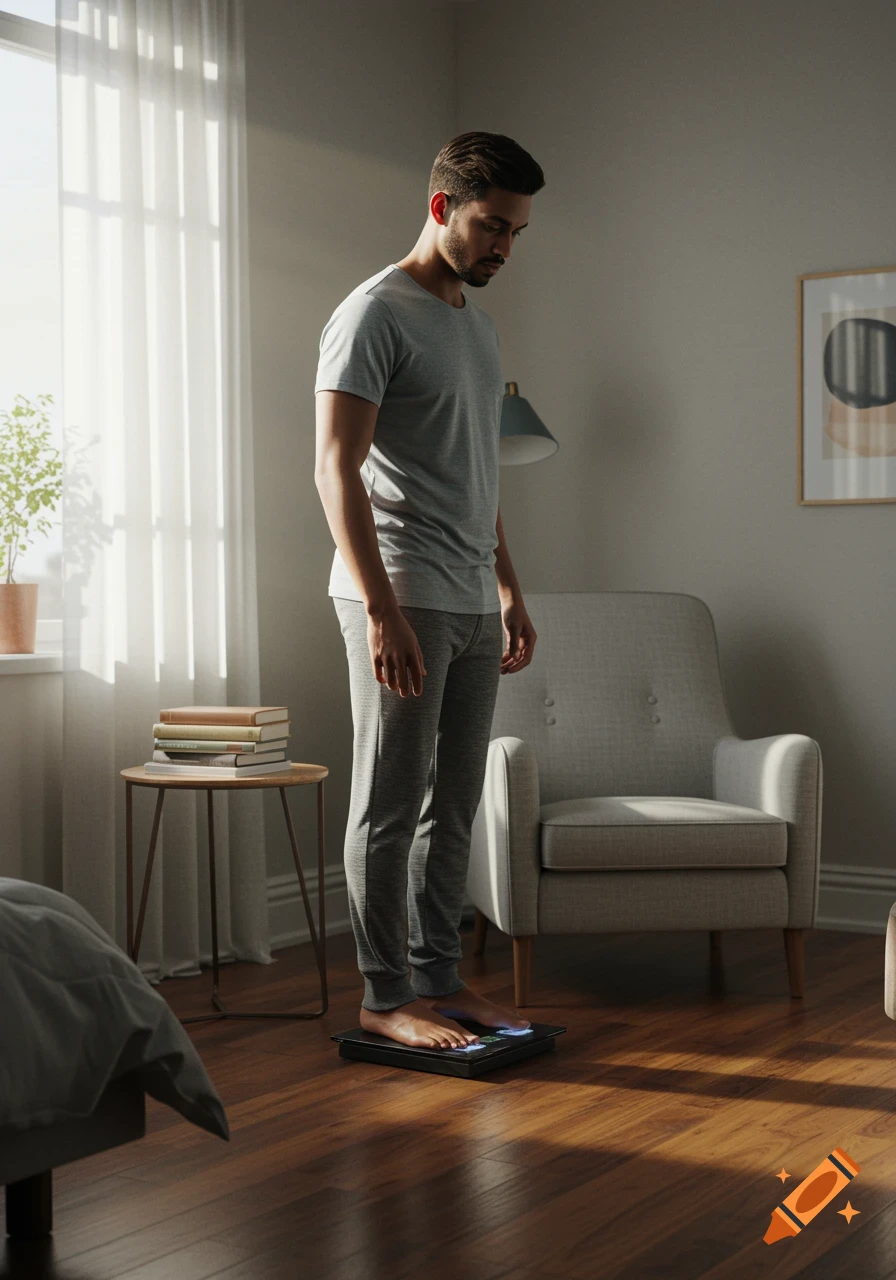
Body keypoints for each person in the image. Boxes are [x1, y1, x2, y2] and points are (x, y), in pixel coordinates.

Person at [314, 131, 544, 1051]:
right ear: (444, 207)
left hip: (468, 599)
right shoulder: (372, 314)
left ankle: (441, 980)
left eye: (518, 232)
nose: (504, 247)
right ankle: (382, 997)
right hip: (399, 594)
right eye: (492, 226)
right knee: (389, 800)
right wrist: (380, 609)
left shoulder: (477, 326)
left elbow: (474, 476)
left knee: (455, 801)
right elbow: (335, 469)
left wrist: (510, 589)